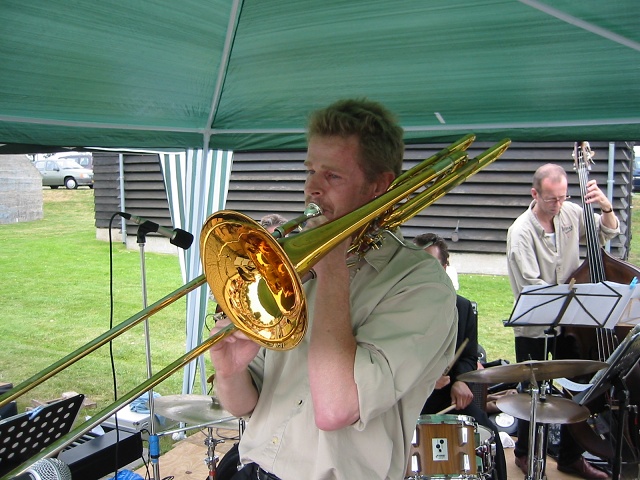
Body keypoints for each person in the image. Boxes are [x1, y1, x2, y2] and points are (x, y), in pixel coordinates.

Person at [208, 98, 458, 480]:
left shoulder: (422, 285)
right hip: (254, 469)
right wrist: (229, 371)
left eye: (332, 176)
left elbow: (336, 409)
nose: (312, 188)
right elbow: (245, 405)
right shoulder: (293, 267)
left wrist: (332, 270)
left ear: (379, 186)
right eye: (310, 170)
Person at [506, 163, 619, 479]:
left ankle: (571, 457)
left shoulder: (571, 212)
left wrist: (606, 207)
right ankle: (525, 452)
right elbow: (531, 286)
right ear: (535, 194)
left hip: (572, 324)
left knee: (579, 390)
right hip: (535, 326)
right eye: (551, 199)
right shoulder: (521, 232)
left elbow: (606, 232)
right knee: (533, 392)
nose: (559, 204)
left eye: (563, 197)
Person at [414, 233, 507, 480]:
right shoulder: (398, 307)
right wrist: (423, 379)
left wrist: (460, 381)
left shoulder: (462, 307)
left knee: (488, 433)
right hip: (408, 396)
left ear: (445, 268)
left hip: (447, 395)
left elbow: (468, 355)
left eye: (431, 266)